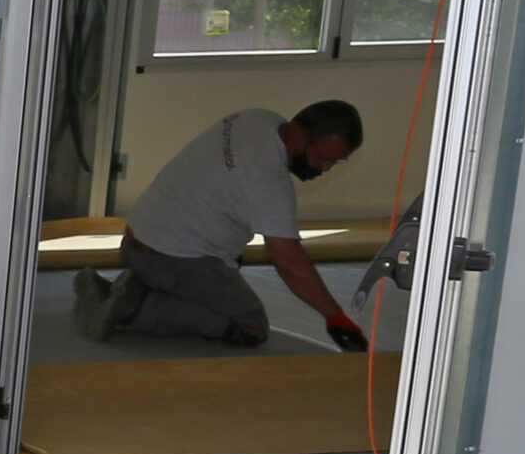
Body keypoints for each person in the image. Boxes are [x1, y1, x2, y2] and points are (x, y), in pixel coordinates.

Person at [77, 100, 368, 350]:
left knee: (232, 260)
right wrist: (335, 317)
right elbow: (288, 260)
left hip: (135, 241)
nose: (325, 169)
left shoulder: (258, 119)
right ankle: (133, 308)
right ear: (301, 137)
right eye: (325, 159)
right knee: (250, 327)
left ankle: (129, 288)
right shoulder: (269, 179)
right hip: (170, 259)